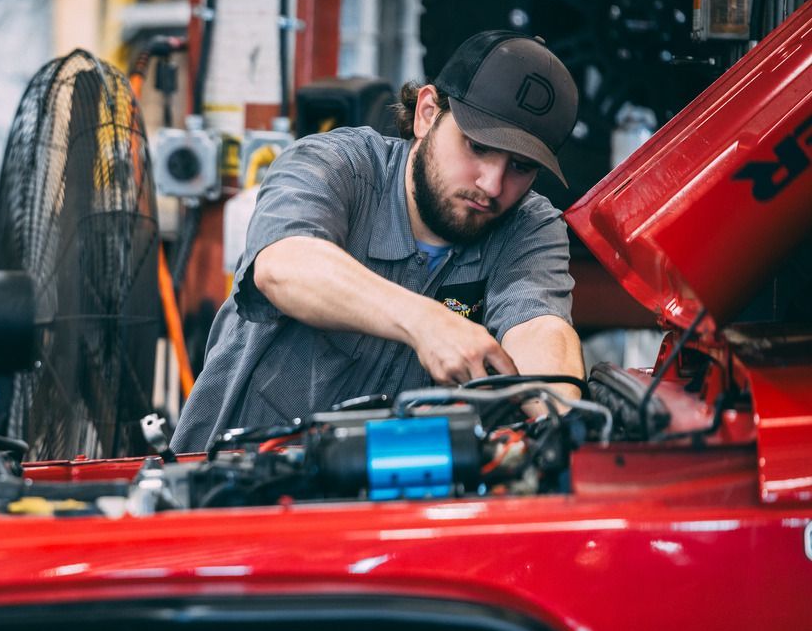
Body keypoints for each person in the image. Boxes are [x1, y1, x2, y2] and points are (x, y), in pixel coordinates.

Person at [170, 30, 586, 453]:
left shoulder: (528, 226)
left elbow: (538, 324)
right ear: (427, 113)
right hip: (230, 492)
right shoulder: (335, 167)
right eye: (477, 146)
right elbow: (284, 266)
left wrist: (563, 414)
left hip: (388, 509)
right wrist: (428, 323)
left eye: (520, 166)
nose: (492, 185)